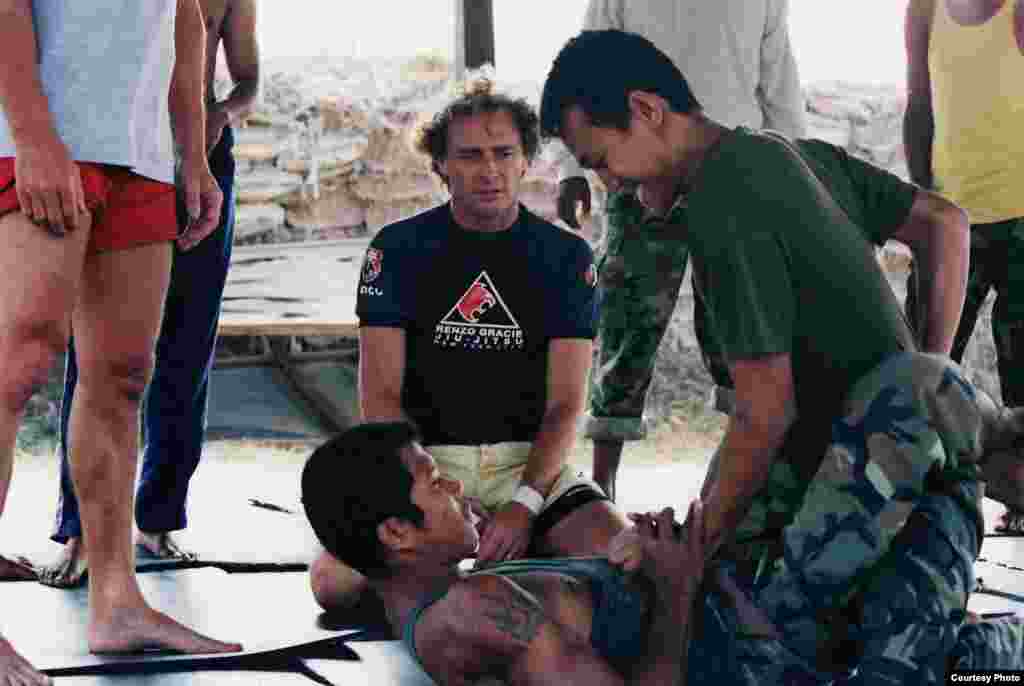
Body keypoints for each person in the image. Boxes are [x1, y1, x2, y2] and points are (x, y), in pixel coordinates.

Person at [536, 27, 1016, 676]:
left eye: (600, 160)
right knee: (890, 655)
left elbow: (764, 415)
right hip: (916, 482)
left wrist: (687, 551)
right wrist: (919, 383)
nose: (608, 184)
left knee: (769, 653)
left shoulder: (721, 197)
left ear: (647, 110)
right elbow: (944, 223)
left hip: (893, 486)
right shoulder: (785, 153)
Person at [302, 418, 1024, 685]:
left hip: (754, 609)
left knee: (944, 621)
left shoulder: (433, 594)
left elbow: (340, 579)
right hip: (768, 647)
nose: (455, 485)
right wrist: (677, 583)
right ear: (395, 534)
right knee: (935, 452)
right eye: (433, 480)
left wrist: (641, 554)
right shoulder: (473, 612)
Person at [308, 78, 625, 611]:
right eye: (469, 155)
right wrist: (432, 499)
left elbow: (567, 404)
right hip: (428, 465)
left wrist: (524, 504)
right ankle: (491, 586)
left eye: (504, 153)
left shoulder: (566, 258)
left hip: (530, 465)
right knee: (333, 583)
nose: (489, 169)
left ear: (526, 161)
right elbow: (379, 398)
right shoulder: (397, 249)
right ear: (441, 166)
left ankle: (474, 582)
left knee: (622, 562)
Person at [0, 0, 242, 680]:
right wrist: (33, 136)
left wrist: (192, 154)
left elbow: (184, 17)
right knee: (18, 363)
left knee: (123, 375)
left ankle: (116, 602)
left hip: (140, 150)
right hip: (36, 136)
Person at [40, 0, 260, 589]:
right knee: (96, 351)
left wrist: (218, 116)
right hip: (115, 148)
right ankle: (81, 531)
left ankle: (159, 518)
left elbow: (248, 82)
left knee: (188, 343)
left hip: (200, 156)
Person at [554, 0, 806, 502]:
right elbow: (580, 72)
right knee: (628, 322)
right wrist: (572, 168)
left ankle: (742, 481)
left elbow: (778, 84)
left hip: (733, 173)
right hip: (637, 166)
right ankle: (603, 486)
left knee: (737, 325)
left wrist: (795, 177)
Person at [904, 0, 1024, 533]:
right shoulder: (924, 9)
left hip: (1023, 221)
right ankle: (914, 494)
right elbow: (919, 107)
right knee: (922, 366)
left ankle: (1020, 501)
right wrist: (919, 207)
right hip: (953, 222)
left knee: (1021, 370)